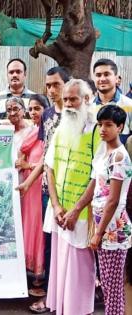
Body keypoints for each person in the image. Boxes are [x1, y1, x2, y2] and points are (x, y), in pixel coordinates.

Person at [44, 79, 99, 315]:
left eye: (73, 99)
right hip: (60, 213)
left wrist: (76, 210)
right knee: (60, 267)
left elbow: (98, 177)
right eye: (65, 99)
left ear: (86, 100)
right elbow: (49, 167)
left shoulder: (98, 131)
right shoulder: (61, 127)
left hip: (83, 214)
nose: (68, 104)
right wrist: (56, 206)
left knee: (78, 270)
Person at [73, 105, 131, 315]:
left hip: (114, 229)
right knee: (107, 284)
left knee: (112, 287)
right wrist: (79, 208)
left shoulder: (119, 157)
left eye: (109, 125)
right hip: (104, 225)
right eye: (100, 124)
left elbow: (113, 200)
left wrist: (99, 233)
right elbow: (95, 184)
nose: (103, 129)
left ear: (120, 127)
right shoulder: (104, 152)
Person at [26, 66, 70, 313]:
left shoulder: (77, 115)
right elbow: (45, 156)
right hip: (47, 190)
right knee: (50, 243)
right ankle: (52, 297)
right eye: (49, 85)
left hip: (72, 191)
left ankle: (70, 296)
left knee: (73, 246)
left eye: (56, 84)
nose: (52, 90)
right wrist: (29, 182)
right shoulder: (48, 115)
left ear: (66, 84)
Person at [15, 94, 49, 285]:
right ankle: (29, 269)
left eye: (38, 108)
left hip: (40, 186)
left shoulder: (48, 133)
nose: (34, 112)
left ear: (46, 109)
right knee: (28, 225)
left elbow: (46, 162)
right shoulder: (32, 130)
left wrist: (27, 165)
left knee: (38, 227)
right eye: (31, 108)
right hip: (28, 188)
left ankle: (40, 272)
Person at [92, 58, 132, 144]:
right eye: (98, 75)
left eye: (106, 74)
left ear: (117, 79)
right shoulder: (88, 106)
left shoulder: (129, 105)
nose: (102, 79)